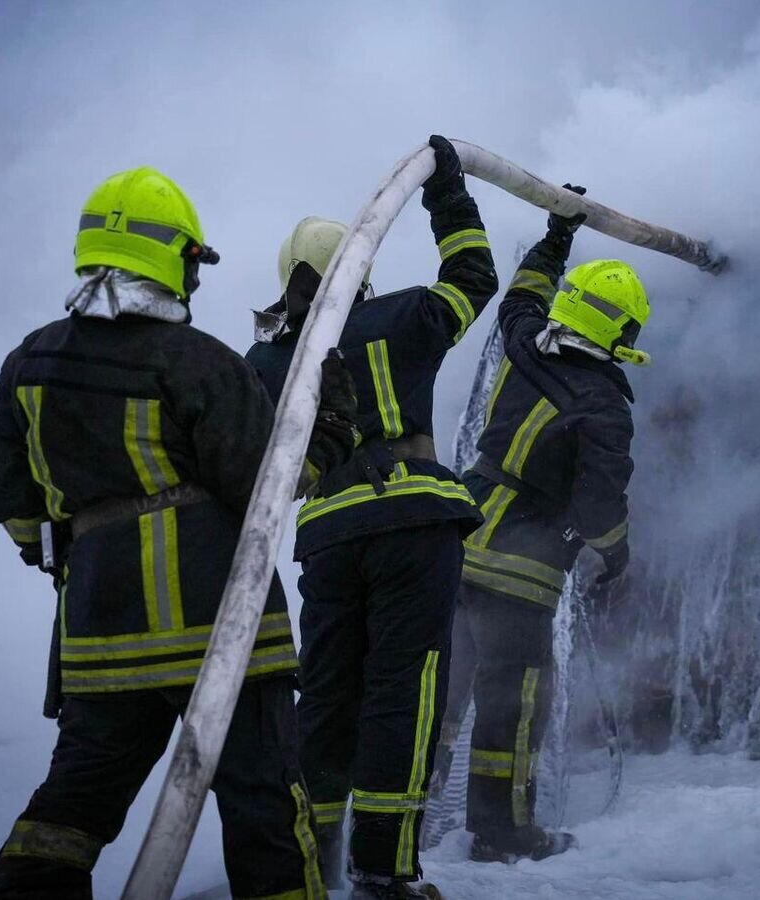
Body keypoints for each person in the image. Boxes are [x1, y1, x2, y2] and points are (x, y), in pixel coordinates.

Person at [0, 166, 357, 900]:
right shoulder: (198, 361)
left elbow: (7, 497)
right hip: (221, 629)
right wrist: (331, 435)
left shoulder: (29, 363)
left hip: (99, 636)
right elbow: (264, 490)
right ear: (175, 258)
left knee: (70, 812)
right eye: (193, 263)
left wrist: (55, 551)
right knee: (267, 808)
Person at [245, 136, 498, 899]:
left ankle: (314, 867)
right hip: (413, 524)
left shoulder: (262, 365)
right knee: (404, 689)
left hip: (328, 538)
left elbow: (257, 473)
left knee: (325, 694)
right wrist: (445, 190)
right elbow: (474, 274)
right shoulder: (410, 315)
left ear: (289, 276)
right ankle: (384, 873)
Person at [439, 187, 649, 863]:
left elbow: (522, 295)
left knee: (438, 699)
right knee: (513, 708)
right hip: (520, 578)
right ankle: (501, 835)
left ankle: (396, 821)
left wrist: (558, 234)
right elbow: (598, 512)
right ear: (623, 332)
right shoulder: (606, 410)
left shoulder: (526, 343)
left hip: (457, 541)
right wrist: (616, 559)